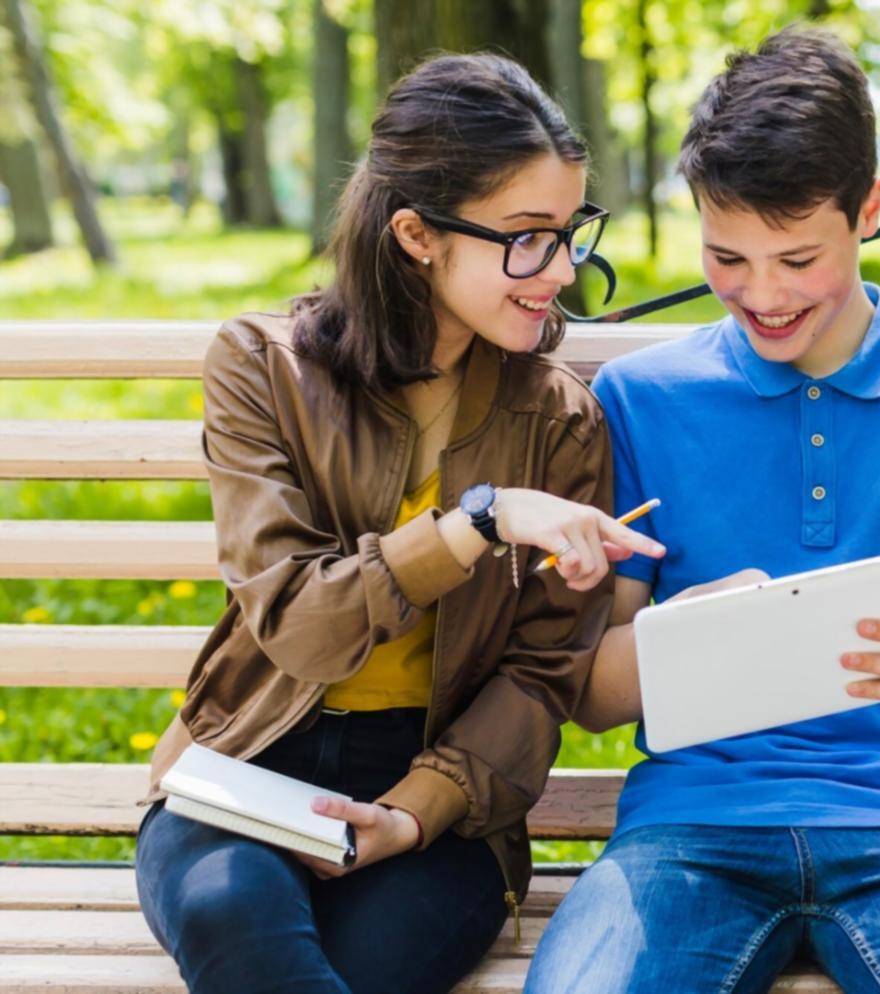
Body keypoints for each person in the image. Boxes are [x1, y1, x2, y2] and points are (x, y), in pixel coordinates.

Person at [525, 28, 880, 994]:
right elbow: (590, 693)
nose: (764, 295)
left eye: (797, 257)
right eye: (726, 257)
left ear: (868, 209)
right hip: (689, 829)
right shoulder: (640, 400)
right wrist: (680, 638)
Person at [133, 53, 663, 994]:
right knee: (229, 916)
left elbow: (541, 675)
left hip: (443, 800)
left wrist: (414, 815)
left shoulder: (559, 418)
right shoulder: (263, 368)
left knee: (359, 969)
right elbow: (296, 620)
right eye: (527, 237)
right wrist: (478, 523)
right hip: (246, 763)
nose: (562, 269)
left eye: (571, 230)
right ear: (416, 234)